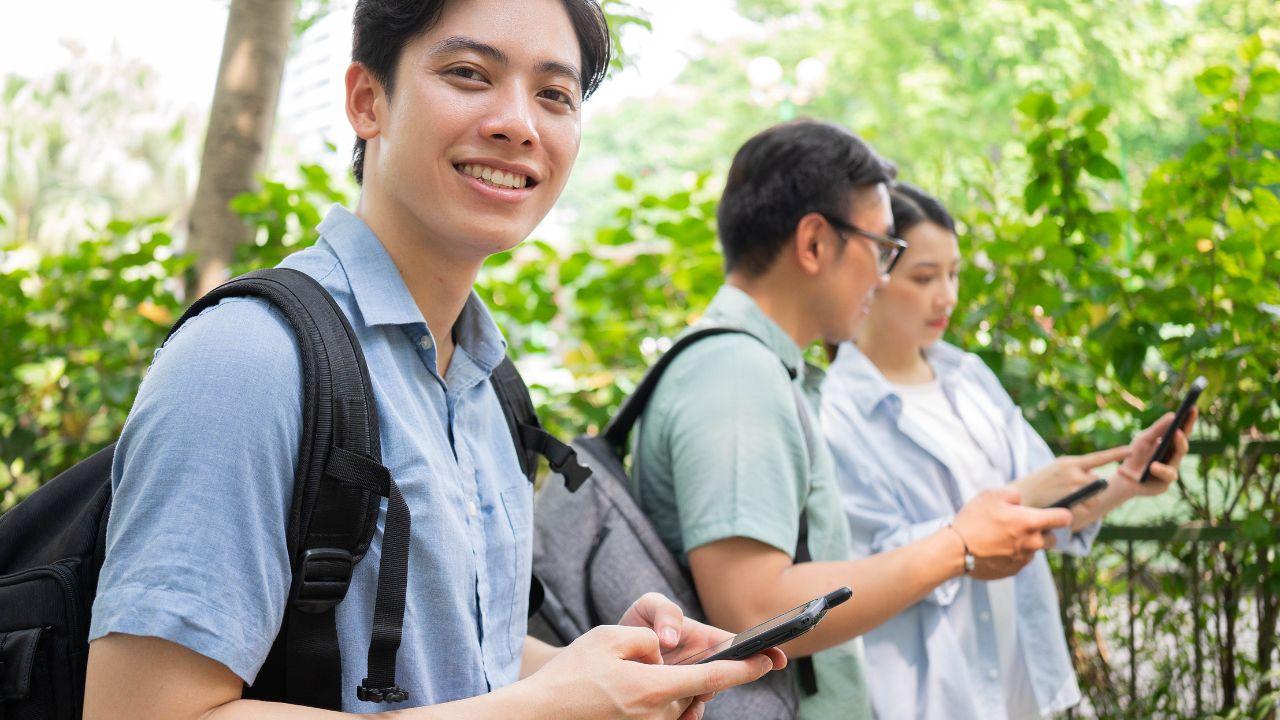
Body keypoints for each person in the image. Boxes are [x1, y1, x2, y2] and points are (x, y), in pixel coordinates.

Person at [82, 2, 784, 718]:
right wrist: (545, 710)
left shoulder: (487, 385)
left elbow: (466, 661)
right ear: (367, 101)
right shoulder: (249, 359)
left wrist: (595, 673)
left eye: (554, 95)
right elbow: (140, 710)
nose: (519, 123)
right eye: (469, 74)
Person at [628, 119, 1078, 720]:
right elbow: (752, 609)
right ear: (815, 243)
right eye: (884, 249)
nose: (884, 277)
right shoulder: (737, 377)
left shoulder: (756, 369)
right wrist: (958, 547)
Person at [820, 182, 1195, 720]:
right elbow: (863, 564)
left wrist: (1126, 482)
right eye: (925, 277)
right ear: (873, 277)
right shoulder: (837, 410)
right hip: (926, 689)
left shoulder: (968, 378)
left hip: (1016, 674)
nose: (945, 296)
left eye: (953, 274)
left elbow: (1047, 510)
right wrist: (1019, 497)